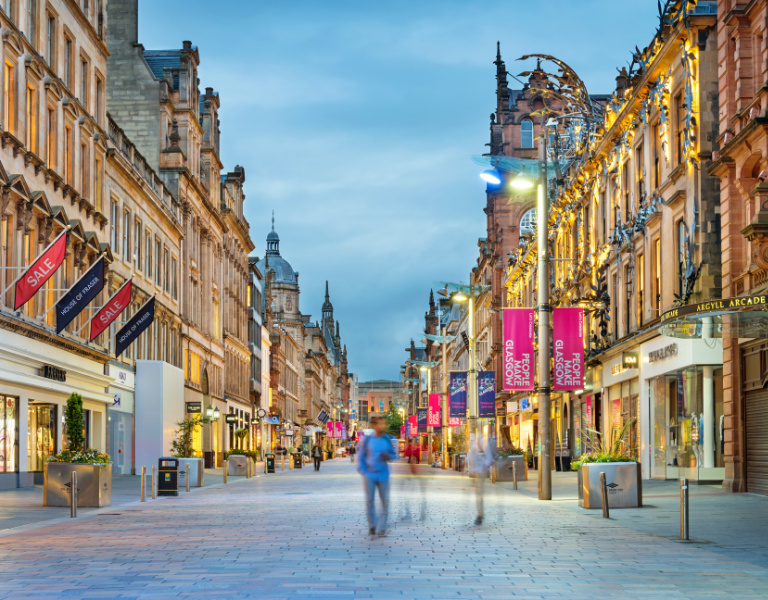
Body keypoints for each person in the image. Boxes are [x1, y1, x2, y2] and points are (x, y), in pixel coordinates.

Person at [358, 415, 397, 536]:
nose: (382, 426)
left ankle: (383, 527)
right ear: (374, 426)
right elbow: (361, 456)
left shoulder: (388, 439)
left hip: (384, 474)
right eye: (380, 424)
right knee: (370, 501)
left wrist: (388, 456)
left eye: (383, 423)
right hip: (370, 475)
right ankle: (372, 526)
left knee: (385, 500)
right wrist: (364, 471)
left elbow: (395, 455)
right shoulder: (368, 440)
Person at [468, 433, 494, 526]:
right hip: (475, 473)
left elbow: (489, 458)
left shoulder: (484, 445)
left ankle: (480, 515)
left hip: (480, 473)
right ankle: (480, 514)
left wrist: (484, 467)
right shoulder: (474, 445)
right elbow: (470, 458)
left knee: (479, 495)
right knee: (478, 495)